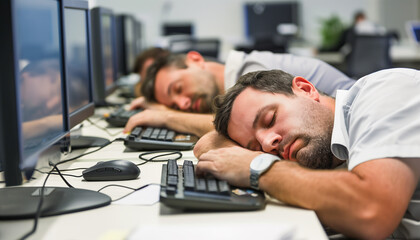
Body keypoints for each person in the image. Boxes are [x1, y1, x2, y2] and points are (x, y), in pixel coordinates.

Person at [193, 68, 420, 239]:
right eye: (254, 147)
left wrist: (259, 167)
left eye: (269, 119)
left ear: (305, 89)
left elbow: (371, 210)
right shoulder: (326, 156)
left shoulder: (386, 92)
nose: (268, 143)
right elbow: (207, 143)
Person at [123, 50, 356, 137]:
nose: (182, 103)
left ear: (195, 60)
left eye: (178, 89)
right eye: (174, 105)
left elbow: (237, 131)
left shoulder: (253, 76)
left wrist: (165, 116)